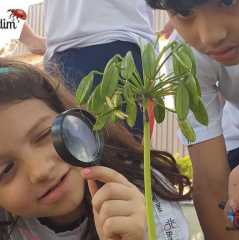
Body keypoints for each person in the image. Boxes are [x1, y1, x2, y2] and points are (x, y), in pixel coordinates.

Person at [0, 58, 191, 240]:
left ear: (76, 120)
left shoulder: (147, 190)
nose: (40, 171)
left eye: (44, 135)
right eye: (6, 169)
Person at [144, 0, 239, 239]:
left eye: (227, 1)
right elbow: (210, 181)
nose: (210, 36)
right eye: (185, 12)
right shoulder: (184, 55)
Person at [20, 0, 156, 136]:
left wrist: (30, 39)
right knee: (126, 150)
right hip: (120, 50)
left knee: (75, 149)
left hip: (63, 60)